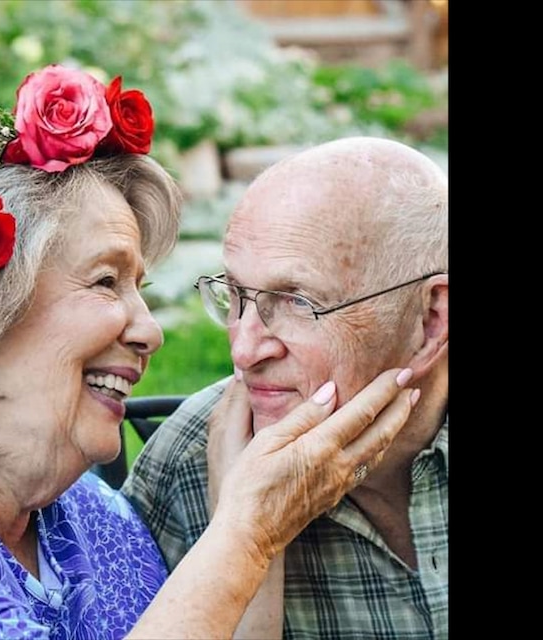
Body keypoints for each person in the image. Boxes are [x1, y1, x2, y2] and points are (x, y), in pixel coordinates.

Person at [0, 66, 419, 639]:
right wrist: (248, 532)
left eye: (141, 289)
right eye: (106, 281)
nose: (150, 332)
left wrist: (258, 533)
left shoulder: (96, 522)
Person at [121, 136, 449, 639]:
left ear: (429, 321)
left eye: (297, 302)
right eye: (234, 294)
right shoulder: (187, 463)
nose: (244, 350)